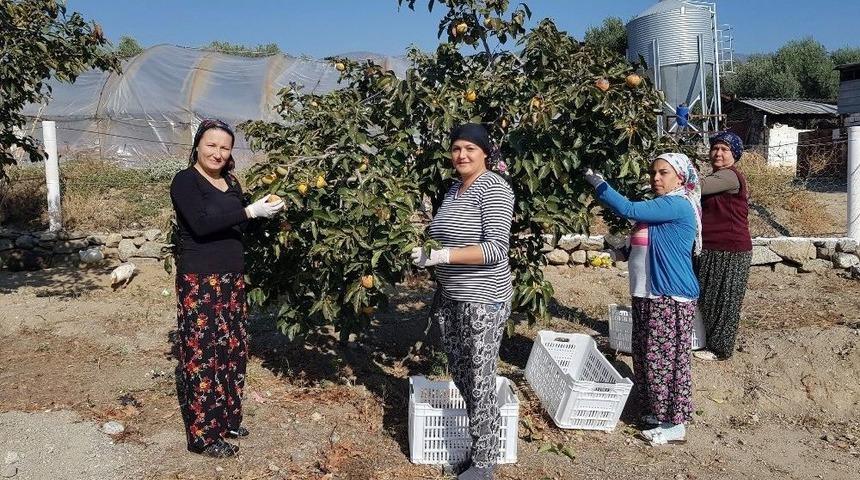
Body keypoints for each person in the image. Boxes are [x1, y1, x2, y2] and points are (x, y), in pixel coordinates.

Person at [170, 119, 284, 457]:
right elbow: (202, 225)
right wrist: (249, 211)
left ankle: (228, 419)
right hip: (200, 280)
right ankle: (203, 436)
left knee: (233, 350)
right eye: (212, 145)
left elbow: (238, 224)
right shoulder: (186, 181)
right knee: (204, 356)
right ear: (197, 146)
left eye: (225, 147)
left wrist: (267, 211)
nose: (218, 153)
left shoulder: (231, 181)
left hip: (232, 279)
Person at [411, 123, 514, 479]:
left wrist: (444, 256)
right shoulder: (455, 189)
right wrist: (425, 249)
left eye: (470, 148)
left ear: (485, 152)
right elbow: (441, 232)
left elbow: (495, 248)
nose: (462, 155)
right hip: (452, 296)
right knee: (463, 374)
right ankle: (479, 448)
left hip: (483, 299)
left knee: (480, 376)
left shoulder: (494, 188)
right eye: (456, 148)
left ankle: (485, 462)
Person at [584, 153, 701, 446]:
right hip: (646, 293)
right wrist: (618, 252)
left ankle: (675, 423)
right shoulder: (657, 210)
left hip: (669, 294)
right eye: (653, 173)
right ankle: (654, 411)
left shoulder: (676, 203)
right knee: (646, 354)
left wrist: (596, 182)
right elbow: (645, 243)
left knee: (666, 360)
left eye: (663, 173)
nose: (656, 178)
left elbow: (626, 207)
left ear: (680, 177)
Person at [694, 131, 751, 361]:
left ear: (734, 155)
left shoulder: (729, 177)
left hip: (730, 248)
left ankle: (720, 350)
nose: (718, 153)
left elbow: (697, 187)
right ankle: (708, 341)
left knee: (725, 300)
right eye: (715, 148)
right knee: (708, 297)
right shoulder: (719, 176)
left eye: (724, 149)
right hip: (713, 246)